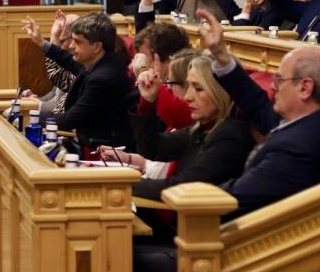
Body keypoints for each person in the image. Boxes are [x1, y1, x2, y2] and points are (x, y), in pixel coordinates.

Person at [133, 10, 320, 272]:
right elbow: (252, 97)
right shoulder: (303, 121)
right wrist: (220, 53)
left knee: (117, 260)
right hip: (233, 240)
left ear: (305, 87)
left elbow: (235, 198)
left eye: (279, 80)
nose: (271, 87)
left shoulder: (303, 144)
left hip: (250, 255)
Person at [106, 55, 254, 201]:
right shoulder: (206, 127)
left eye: (198, 88)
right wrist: (148, 103)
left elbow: (181, 188)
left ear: (222, 91)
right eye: (189, 86)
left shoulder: (230, 137)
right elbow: (152, 148)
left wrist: (119, 182)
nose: (187, 97)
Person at [22, 12, 133, 148]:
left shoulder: (102, 79)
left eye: (78, 42)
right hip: (89, 141)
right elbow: (68, 60)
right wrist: (40, 41)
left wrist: (31, 116)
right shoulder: (103, 61)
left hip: (102, 151)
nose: (70, 46)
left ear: (97, 47)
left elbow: (69, 120)